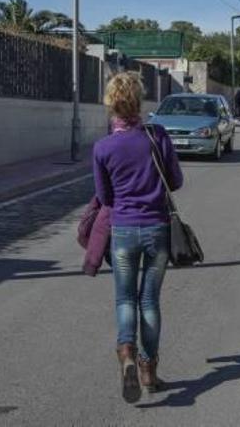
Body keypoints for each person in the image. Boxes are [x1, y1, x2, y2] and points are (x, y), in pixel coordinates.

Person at [92, 72, 184, 403]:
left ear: (111, 104)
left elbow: (104, 197)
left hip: (123, 231)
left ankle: (126, 351)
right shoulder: (156, 135)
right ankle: (149, 369)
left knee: (124, 299)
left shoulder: (103, 147)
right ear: (139, 101)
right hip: (157, 227)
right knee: (149, 300)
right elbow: (175, 181)